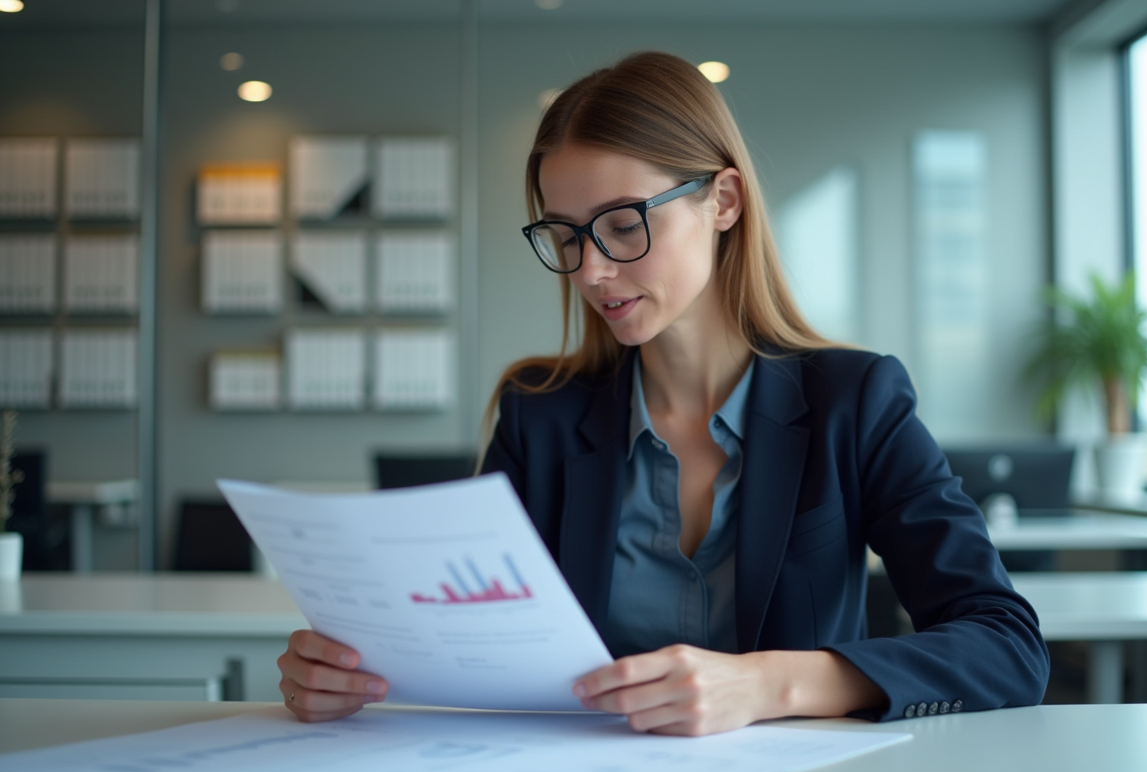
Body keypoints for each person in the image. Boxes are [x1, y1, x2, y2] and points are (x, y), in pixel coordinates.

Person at [277, 50, 1050, 735]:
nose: (590, 272)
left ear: (723, 202)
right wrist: (355, 671)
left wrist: (764, 685)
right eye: (567, 236)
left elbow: (1006, 647)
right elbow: (474, 646)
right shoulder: (540, 414)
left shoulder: (856, 400)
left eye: (621, 225)